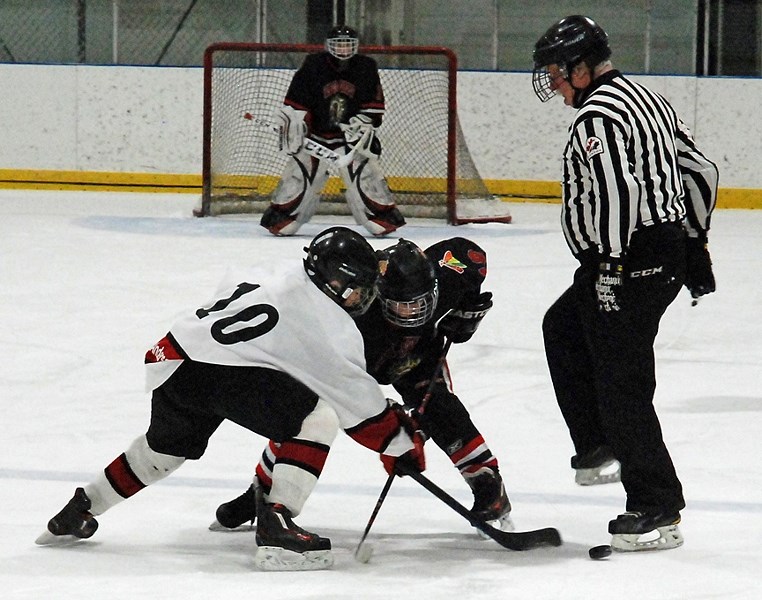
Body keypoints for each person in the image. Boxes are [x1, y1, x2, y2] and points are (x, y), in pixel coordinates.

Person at [35, 226, 425, 572]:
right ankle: (279, 523)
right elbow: (360, 409)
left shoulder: (277, 274)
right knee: (316, 417)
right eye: (357, 290)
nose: (361, 300)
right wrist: (400, 444)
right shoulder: (333, 327)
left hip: (173, 359)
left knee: (162, 453)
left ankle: (81, 507)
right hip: (219, 372)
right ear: (335, 283)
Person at [532, 15, 718, 552]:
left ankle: (656, 506)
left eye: (557, 73)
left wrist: (611, 267)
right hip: (658, 254)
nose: (555, 84)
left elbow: (619, 194)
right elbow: (701, 170)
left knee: (622, 383)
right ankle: (596, 446)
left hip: (626, 261)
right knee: (563, 328)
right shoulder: (647, 99)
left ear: (581, 67)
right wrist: (694, 242)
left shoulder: (596, 117)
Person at [212, 237, 513, 535]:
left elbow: (472, 257)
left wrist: (466, 310)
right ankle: (262, 491)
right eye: (400, 306)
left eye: (420, 304)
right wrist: (395, 438)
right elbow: (356, 401)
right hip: (364, 362)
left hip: (418, 355)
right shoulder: (353, 323)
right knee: (308, 413)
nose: (412, 314)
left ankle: (486, 480)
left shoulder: (449, 269)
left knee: (436, 403)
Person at [260, 24, 405, 237]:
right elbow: (296, 101)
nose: (343, 49)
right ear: (328, 46)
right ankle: (284, 216)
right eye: (339, 44)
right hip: (316, 135)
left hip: (349, 138)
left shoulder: (366, 66)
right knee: (299, 172)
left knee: (365, 171)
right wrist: (297, 123)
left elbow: (374, 107)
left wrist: (362, 123)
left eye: (348, 45)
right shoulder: (313, 64)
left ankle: (380, 216)